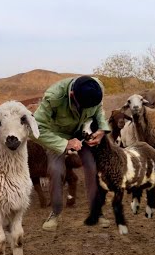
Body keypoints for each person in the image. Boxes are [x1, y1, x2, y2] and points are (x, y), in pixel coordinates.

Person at [33, 75, 112, 231]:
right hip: (57, 135)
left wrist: (102, 130)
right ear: (71, 96)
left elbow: (98, 112)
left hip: (81, 132)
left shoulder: (95, 89)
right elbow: (36, 128)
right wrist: (65, 143)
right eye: (82, 106)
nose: (85, 110)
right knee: (56, 170)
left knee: (92, 167)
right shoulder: (53, 97)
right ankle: (55, 213)